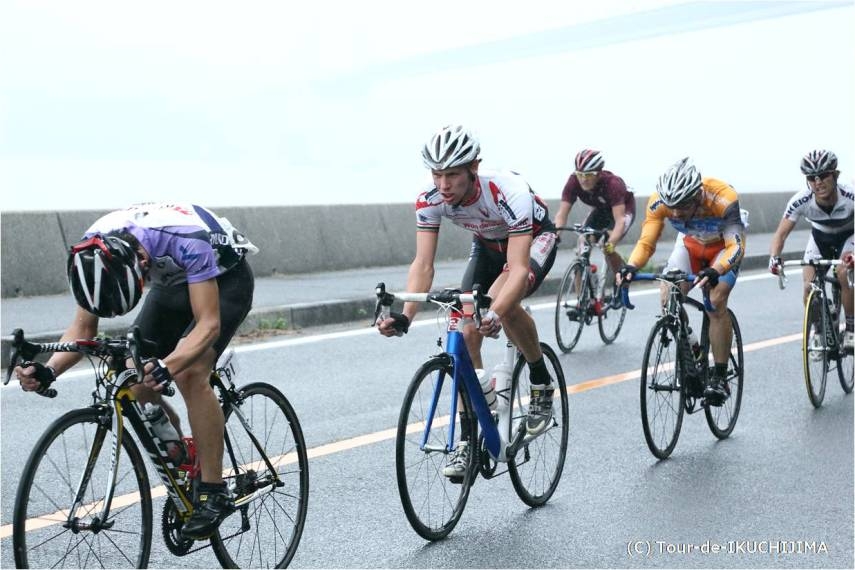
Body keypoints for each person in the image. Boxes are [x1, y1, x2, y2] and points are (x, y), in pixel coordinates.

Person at [14, 202, 258, 540]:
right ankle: (180, 450)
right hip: (170, 282)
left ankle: (213, 490)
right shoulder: (95, 253)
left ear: (141, 265)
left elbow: (208, 326)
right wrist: (48, 370)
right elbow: (83, 331)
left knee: (189, 372)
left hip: (223, 279)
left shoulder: (186, 239)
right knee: (133, 373)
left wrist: (168, 366)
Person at [376, 124, 559, 476]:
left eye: (452, 175)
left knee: (500, 303)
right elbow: (423, 264)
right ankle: (469, 436)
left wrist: (496, 312)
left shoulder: (507, 191)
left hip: (531, 241)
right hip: (488, 246)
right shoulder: (430, 199)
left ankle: (540, 379)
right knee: (463, 326)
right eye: (437, 174)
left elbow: (518, 270)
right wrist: (406, 316)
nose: (443, 185)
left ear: (473, 168)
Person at [618, 157, 746, 405]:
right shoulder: (659, 202)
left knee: (716, 300)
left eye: (683, 206)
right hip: (689, 245)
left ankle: (719, 377)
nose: (676, 213)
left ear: (698, 195)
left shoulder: (722, 198)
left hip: (723, 248)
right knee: (669, 295)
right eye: (672, 206)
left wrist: (716, 269)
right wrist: (631, 266)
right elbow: (647, 243)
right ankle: (694, 349)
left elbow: (735, 247)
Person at [768, 149, 854, 351]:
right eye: (812, 178)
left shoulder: (850, 194)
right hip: (820, 238)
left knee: (844, 272)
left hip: (850, 235)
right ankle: (820, 327)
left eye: (823, 176)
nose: (818, 182)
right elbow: (780, 235)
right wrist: (774, 258)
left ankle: (851, 328)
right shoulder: (801, 200)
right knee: (808, 286)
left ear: (834, 175)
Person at [553, 149, 636, 291]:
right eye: (580, 175)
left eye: (589, 175)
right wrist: (555, 236)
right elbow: (562, 213)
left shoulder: (612, 184)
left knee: (607, 247)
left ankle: (621, 281)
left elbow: (620, 221)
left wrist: (611, 243)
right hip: (600, 210)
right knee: (582, 245)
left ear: (598, 173)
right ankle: (581, 302)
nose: (583, 179)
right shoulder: (573, 182)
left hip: (622, 211)